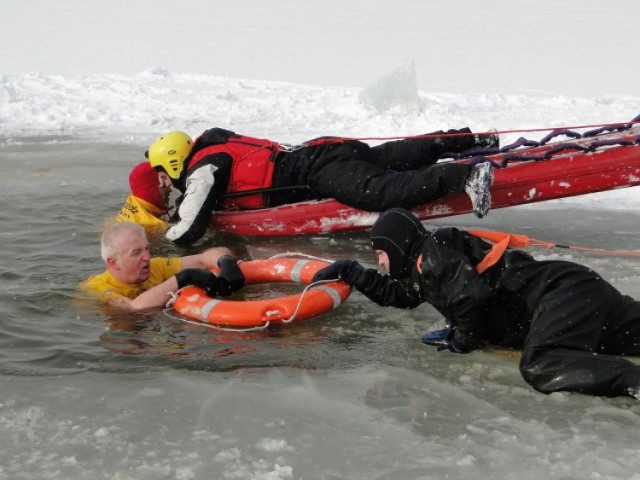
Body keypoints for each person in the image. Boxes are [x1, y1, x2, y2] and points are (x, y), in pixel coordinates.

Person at [311, 208, 640, 398]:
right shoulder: (422, 273)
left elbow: (473, 297)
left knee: (541, 365)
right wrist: (350, 271)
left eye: (380, 254)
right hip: (575, 294)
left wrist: (465, 339)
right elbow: (397, 295)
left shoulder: (435, 253)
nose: (381, 263)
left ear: (398, 247)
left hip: (560, 293)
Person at [144, 127, 497, 245]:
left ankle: (464, 176)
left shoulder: (204, 167)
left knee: (378, 193)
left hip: (316, 169)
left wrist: (161, 236)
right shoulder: (215, 147)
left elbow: (189, 228)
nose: (167, 179)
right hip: (323, 149)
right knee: (387, 156)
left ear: (174, 160)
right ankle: (466, 139)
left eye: (163, 171)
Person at [79, 222, 245, 311]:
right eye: (136, 253)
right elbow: (133, 307)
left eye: (147, 249)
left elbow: (203, 259)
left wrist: (225, 260)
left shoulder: (156, 267)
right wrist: (182, 278)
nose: (147, 257)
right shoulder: (97, 289)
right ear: (113, 262)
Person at [116, 162, 173, 228]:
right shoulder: (154, 227)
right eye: (164, 185)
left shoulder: (133, 201)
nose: (170, 189)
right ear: (150, 191)